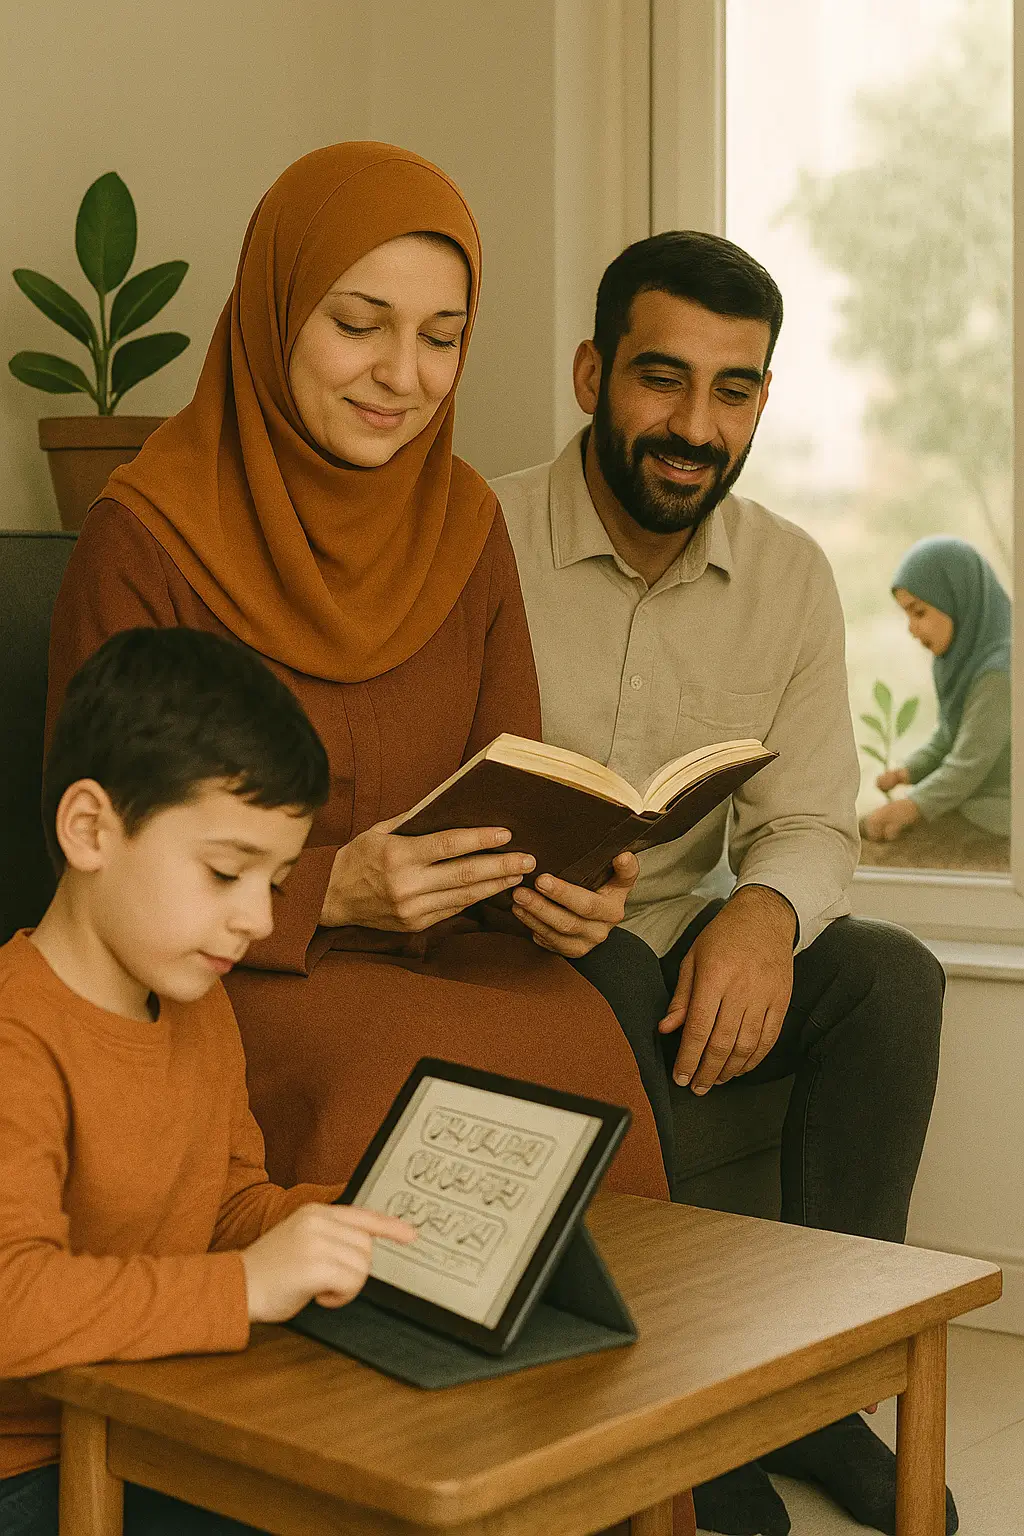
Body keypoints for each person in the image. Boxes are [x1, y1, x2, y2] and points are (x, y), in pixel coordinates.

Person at [44, 143, 668, 1207]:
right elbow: (110, 857)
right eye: (356, 323)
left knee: (580, 1043)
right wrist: (330, 890)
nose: (402, 375)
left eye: (441, 338)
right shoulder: (143, 535)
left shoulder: (468, 524)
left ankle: (623, 1377)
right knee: (386, 1077)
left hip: (451, 956)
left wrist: (560, 889)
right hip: (235, 969)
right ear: (275, 309)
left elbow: (507, 779)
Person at [493, 232, 954, 1536]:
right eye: (662, 379)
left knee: (887, 977)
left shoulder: (790, 574)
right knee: (619, 961)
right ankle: (695, 1426)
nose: (696, 426)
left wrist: (761, 912)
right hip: (516, 957)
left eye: (734, 390)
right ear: (593, 372)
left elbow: (811, 819)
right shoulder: (480, 538)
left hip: (674, 945)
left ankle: (820, 1396)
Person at [0, 627, 417, 1536]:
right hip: (30, 1467)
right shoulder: (14, 1039)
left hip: (162, 1419)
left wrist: (339, 1226)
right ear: (90, 830)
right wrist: (245, 1288)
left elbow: (223, 1207)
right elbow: (11, 1304)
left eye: (274, 882)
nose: (256, 920)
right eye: (226, 873)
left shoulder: (194, 998)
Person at [862, 536, 1011, 853]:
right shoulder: (962, 662)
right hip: (969, 805)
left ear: (958, 599)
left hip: (999, 818)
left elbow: (969, 763)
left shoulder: (1000, 673)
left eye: (919, 613)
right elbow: (949, 736)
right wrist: (908, 771)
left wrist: (912, 806)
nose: (912, 630)